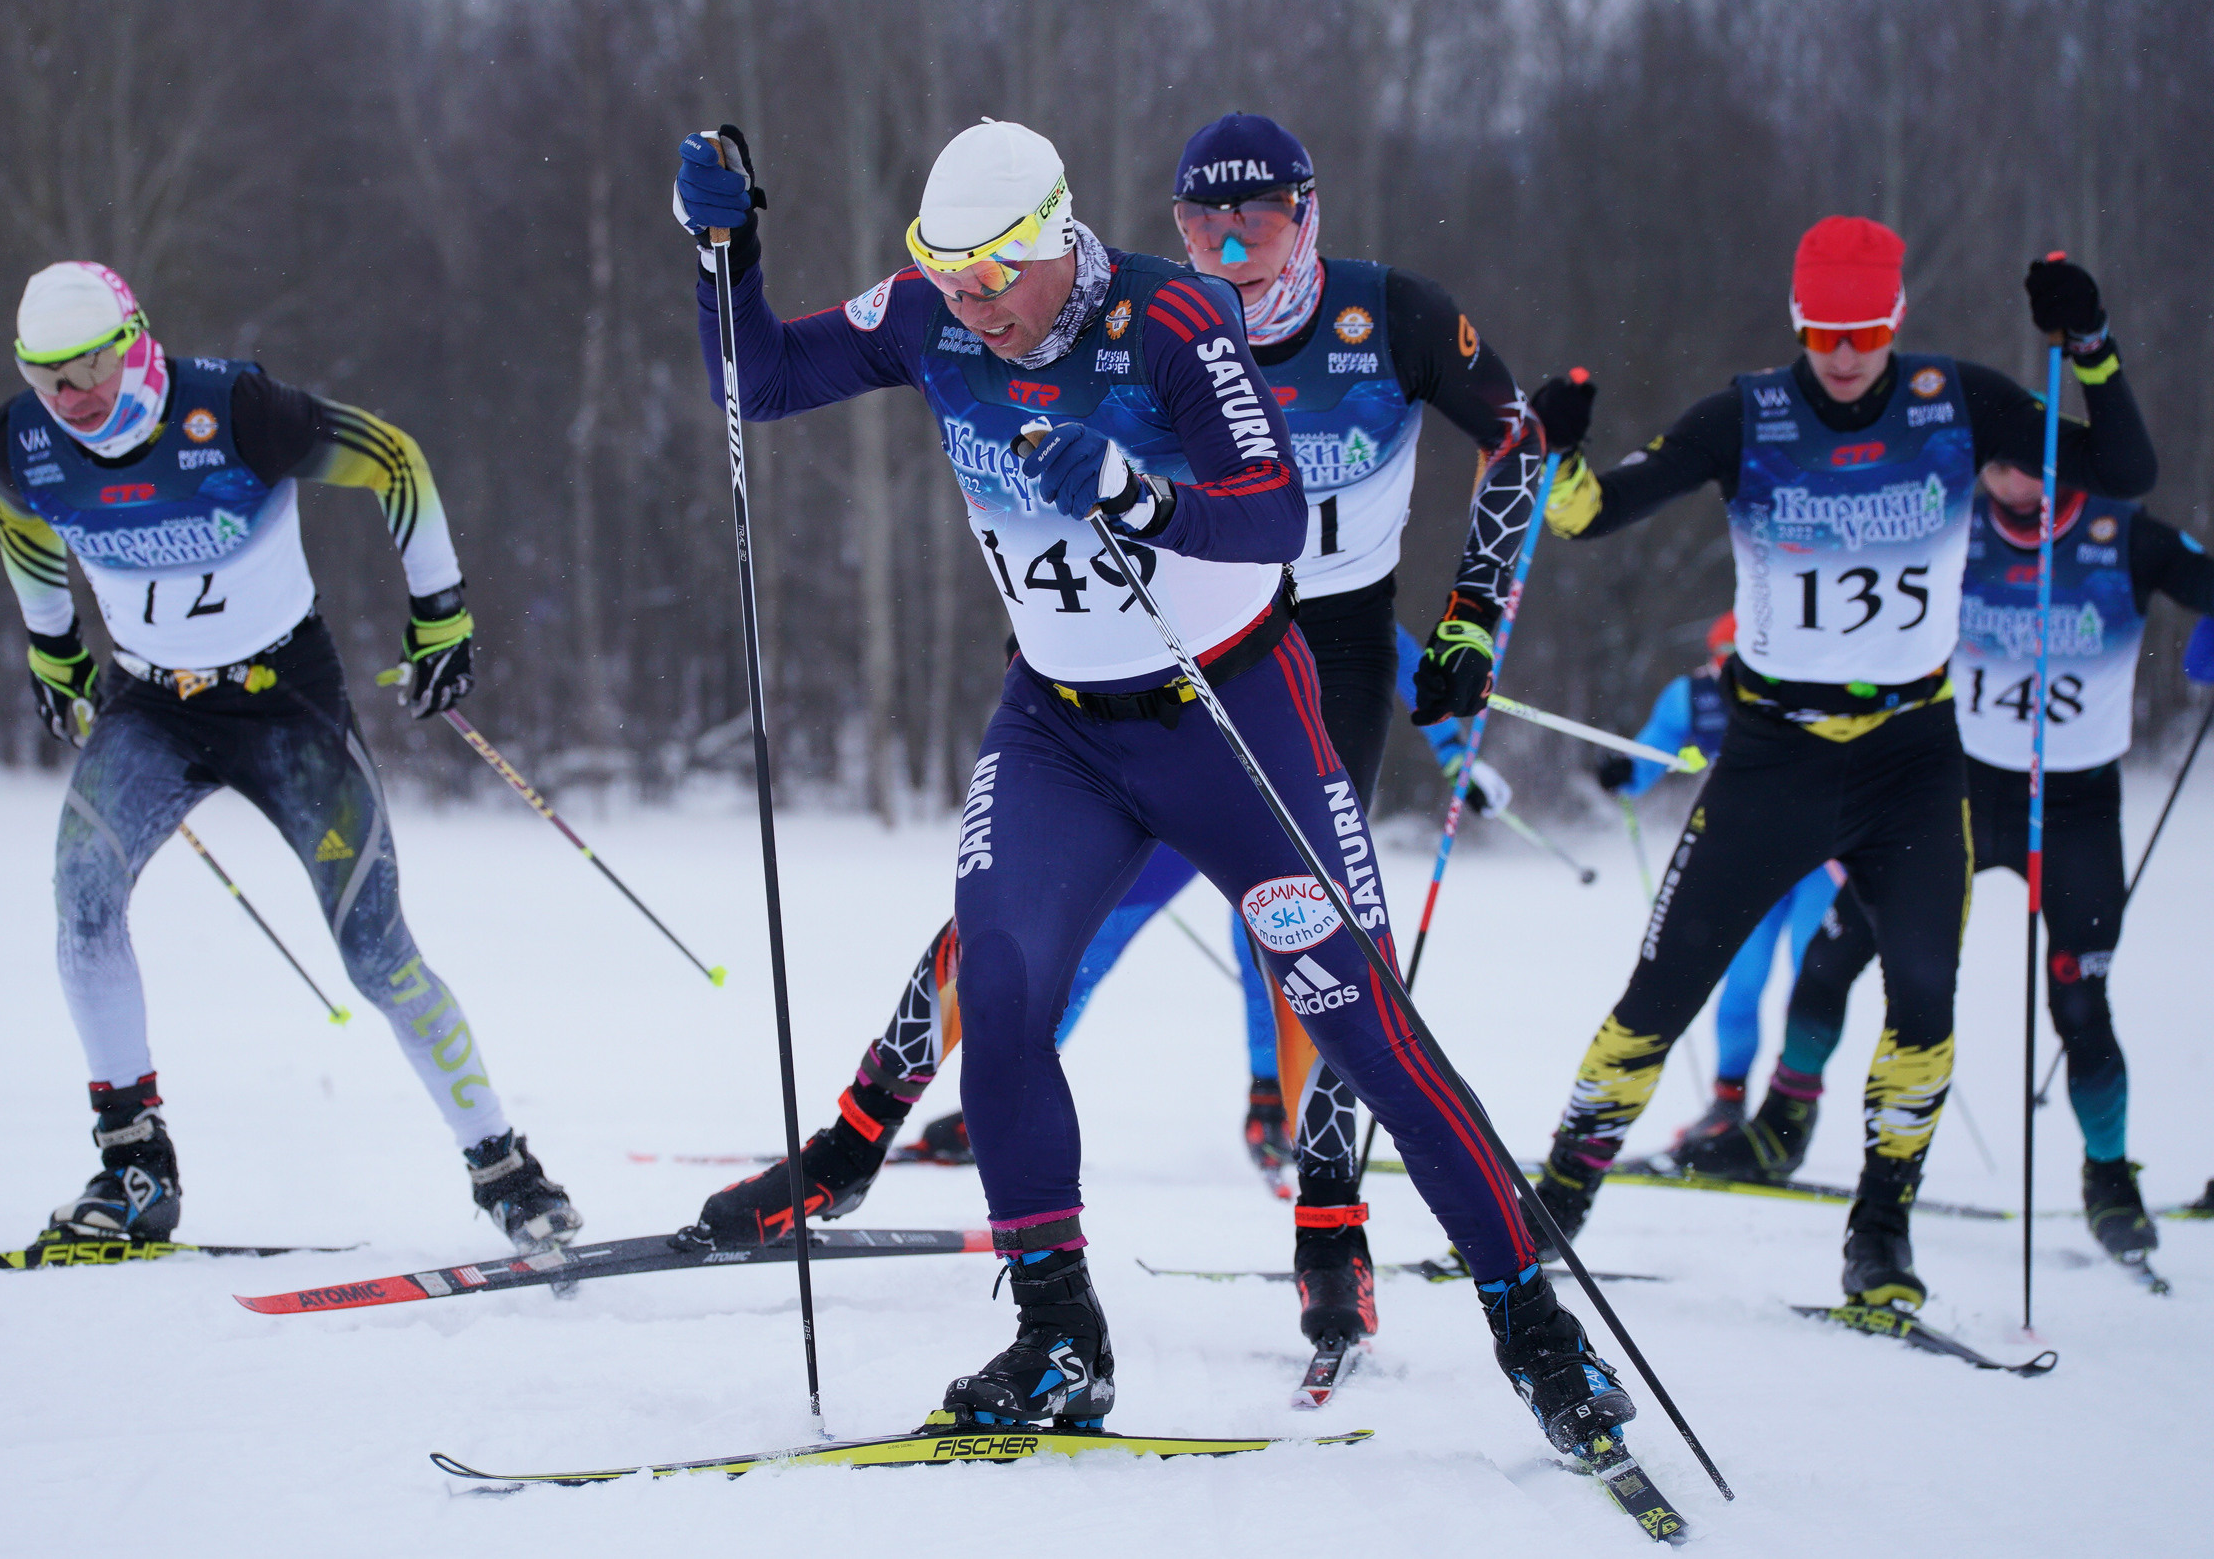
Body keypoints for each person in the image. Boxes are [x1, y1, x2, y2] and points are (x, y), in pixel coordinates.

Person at [675, 116, 1625, 1458]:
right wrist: (728, 253)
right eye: (950, 277)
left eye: (996, 274)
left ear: (1059, 239)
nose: (975, 306)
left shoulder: (1170, 318)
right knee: (1001, 987)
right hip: (1058, 726)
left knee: (1355, 1012)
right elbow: (758, 380)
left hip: (1233, 714)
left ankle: (1535, 1326)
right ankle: (1061, 1332)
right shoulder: (932, 317)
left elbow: (1273, 509)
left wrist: (1135, 490)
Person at [1524, 223, 2156, 1310]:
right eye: (1824, 331)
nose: (1845, 353)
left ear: (1894, 319)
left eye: (1864, 330)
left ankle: (1880, 1237)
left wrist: (2087, 340)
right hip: (1774, 758)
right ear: (1797, 322)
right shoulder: (1748, 416)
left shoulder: (1959, 402)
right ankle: (1549, 1207)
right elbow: (1587, 517)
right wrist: (1551, 447)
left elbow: (2125, 470)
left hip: (1912, 758)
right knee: (1660, 990)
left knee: (1922, 1003)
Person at [0, 261, 582, 1252]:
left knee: (377, 954)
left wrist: (441, 613)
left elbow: (393, 460)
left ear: (133, 340)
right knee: (82, 905)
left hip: (283, 704)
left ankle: (506, 1172)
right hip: (150, 707)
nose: (75, 396)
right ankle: (135, 1167)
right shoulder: (25, 439)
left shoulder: (234, 410)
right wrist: (53, 648)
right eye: (51, 378)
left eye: (89, 367)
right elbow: (23, 530)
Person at [1720, 464, 2213, 1266]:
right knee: (1833, 953)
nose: (2017, 477)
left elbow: (2203, 580)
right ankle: (1781, 1125)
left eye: (2036, 457)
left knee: (2081, 1000)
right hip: (1953, 784)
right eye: (2000, 459)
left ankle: (2110, 1177)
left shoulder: (2122, 535)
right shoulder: (1951, 526)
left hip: (2075, 804)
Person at [1593, 611, 1842, 1157]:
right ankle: (1726, 1107)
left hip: (1821, 862)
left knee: (1813, 981)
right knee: (1742, 985)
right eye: (1723, 657)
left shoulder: (1813, 685)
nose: (1731, 671)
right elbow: (1651, 754)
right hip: (1750, 860)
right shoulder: (1694, 696)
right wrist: (1622, 772)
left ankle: (1792, 1111)